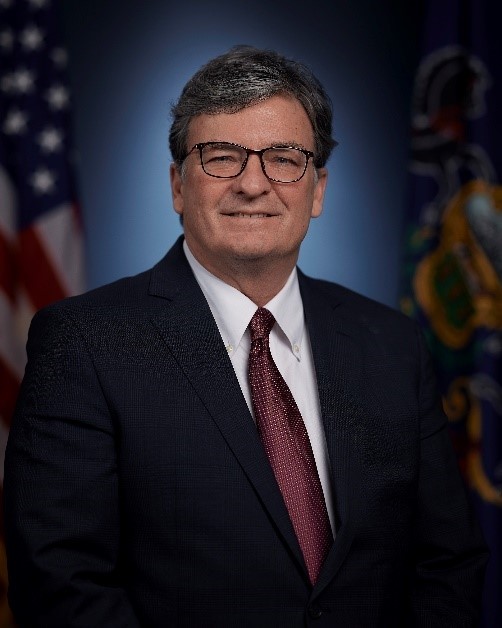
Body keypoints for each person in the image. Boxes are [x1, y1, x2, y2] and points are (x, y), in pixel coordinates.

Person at [4, 46, 488, 627]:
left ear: (317, 190)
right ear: (178, 187)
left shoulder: (392, 345)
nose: (253, 185)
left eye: (284, 158)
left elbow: (447, 563)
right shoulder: (83, 342)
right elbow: (61, 585)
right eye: (221, 157)